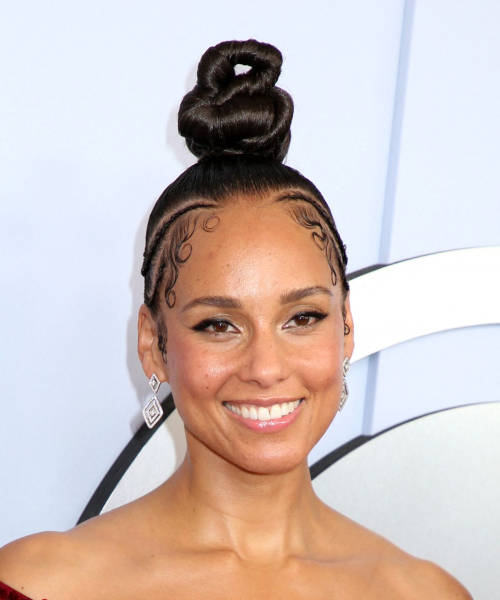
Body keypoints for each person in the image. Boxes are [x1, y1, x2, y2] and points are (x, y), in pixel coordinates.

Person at [0, 39, 472, 600]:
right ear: (153, 344)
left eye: (302, 317)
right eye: (219, 325)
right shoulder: (39, 584)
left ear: (346, 326)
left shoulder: (423, 594)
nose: (266, 368)